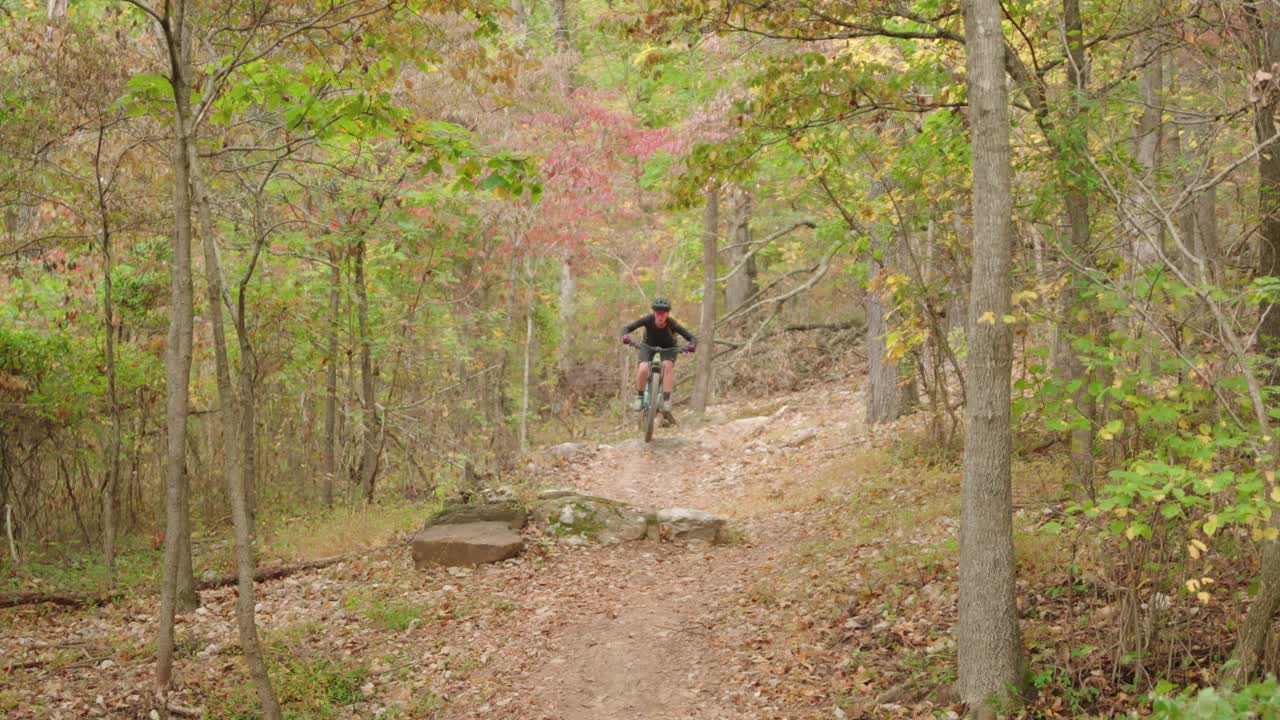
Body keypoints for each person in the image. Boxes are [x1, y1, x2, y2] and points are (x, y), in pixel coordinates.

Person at [621, 298, 697, 413]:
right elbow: (626, 328)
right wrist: (625, 337)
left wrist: (692, 346)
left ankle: (666, 400)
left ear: (667, 314)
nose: (660, 316)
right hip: (647, 347)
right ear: (654, 313)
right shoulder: (648, 320)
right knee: (643, 369)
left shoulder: (672, 324)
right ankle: (640, 397)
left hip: (668, 349)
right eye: (658, 313)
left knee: (667, 366)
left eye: (663, 313)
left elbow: (692, 338)